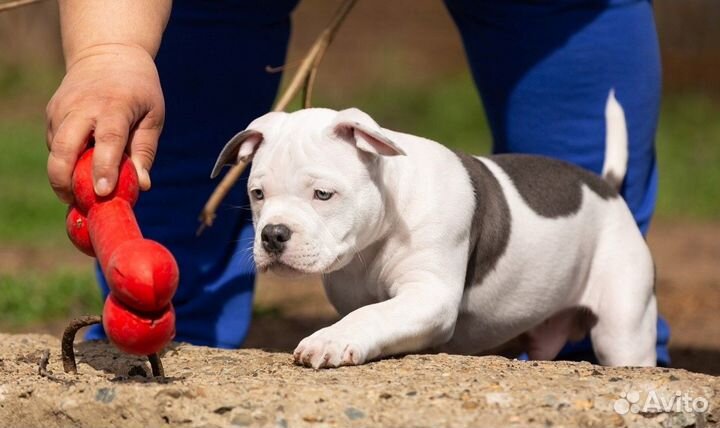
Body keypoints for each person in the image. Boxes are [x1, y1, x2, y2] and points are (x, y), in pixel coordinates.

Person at [46, 0, 669, 364]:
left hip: (573, 237)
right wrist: (110, 53)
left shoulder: (428, 189)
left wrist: (352, 333)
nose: (276, 225)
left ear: (376, 151)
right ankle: (166, 354)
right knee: (215, 14)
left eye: (321, 194)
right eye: (259, 197)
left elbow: (433, 307)